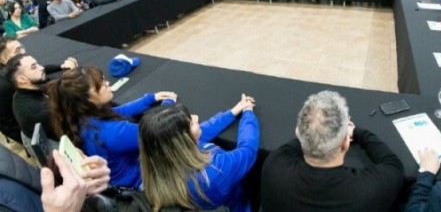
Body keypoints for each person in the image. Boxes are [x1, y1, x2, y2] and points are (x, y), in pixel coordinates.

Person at [261, 91, 403, 212]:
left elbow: (299, 140)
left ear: (298, 133)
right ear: (345, 143)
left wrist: (311, 133)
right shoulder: (368, 189)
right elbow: (393, 164)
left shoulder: (274, 166)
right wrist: (357, 132)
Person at [48, 66, 177, 188]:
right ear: (88, 99)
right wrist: (168, 104)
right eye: (102, 84)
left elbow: (117, 111)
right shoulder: (112, 132)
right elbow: (158, 128)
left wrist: (150, 99)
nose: (107, 84)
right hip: (144, 181)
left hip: (121, 179)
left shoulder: (79, 119)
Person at [139, 94, 259, 212]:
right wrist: (248, 112)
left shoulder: (158, 159)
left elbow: (203, 131)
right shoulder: (214, 171)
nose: (196, 117)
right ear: (183, 140)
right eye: (191, 123)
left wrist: (233, 112)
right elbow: (247, 150)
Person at [6, 54, 78, 140]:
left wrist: (67, 70)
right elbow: (72, 131)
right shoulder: (41, 111)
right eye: (34, 67)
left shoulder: (22, 92)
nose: (41, 67)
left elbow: (52, 85)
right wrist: (70, 74)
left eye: (37, 64)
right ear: (21, 79)